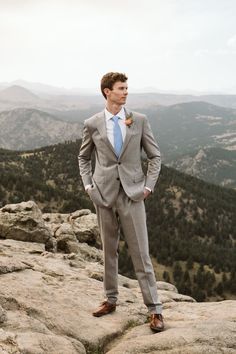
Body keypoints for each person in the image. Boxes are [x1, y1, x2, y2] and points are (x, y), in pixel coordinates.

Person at [78, 72, 164, 332]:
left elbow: (155, 156)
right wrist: (89, 186)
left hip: (133, 194)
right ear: (107, 91)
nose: (126, 92)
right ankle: (110, 300)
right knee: (108, 251)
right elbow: (83, 158)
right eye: (121, 88)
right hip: (103, 195)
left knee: (141, 254)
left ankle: (155, 310)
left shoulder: (138, 120)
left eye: (127, 88)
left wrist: (148, 187)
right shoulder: (92, 123)